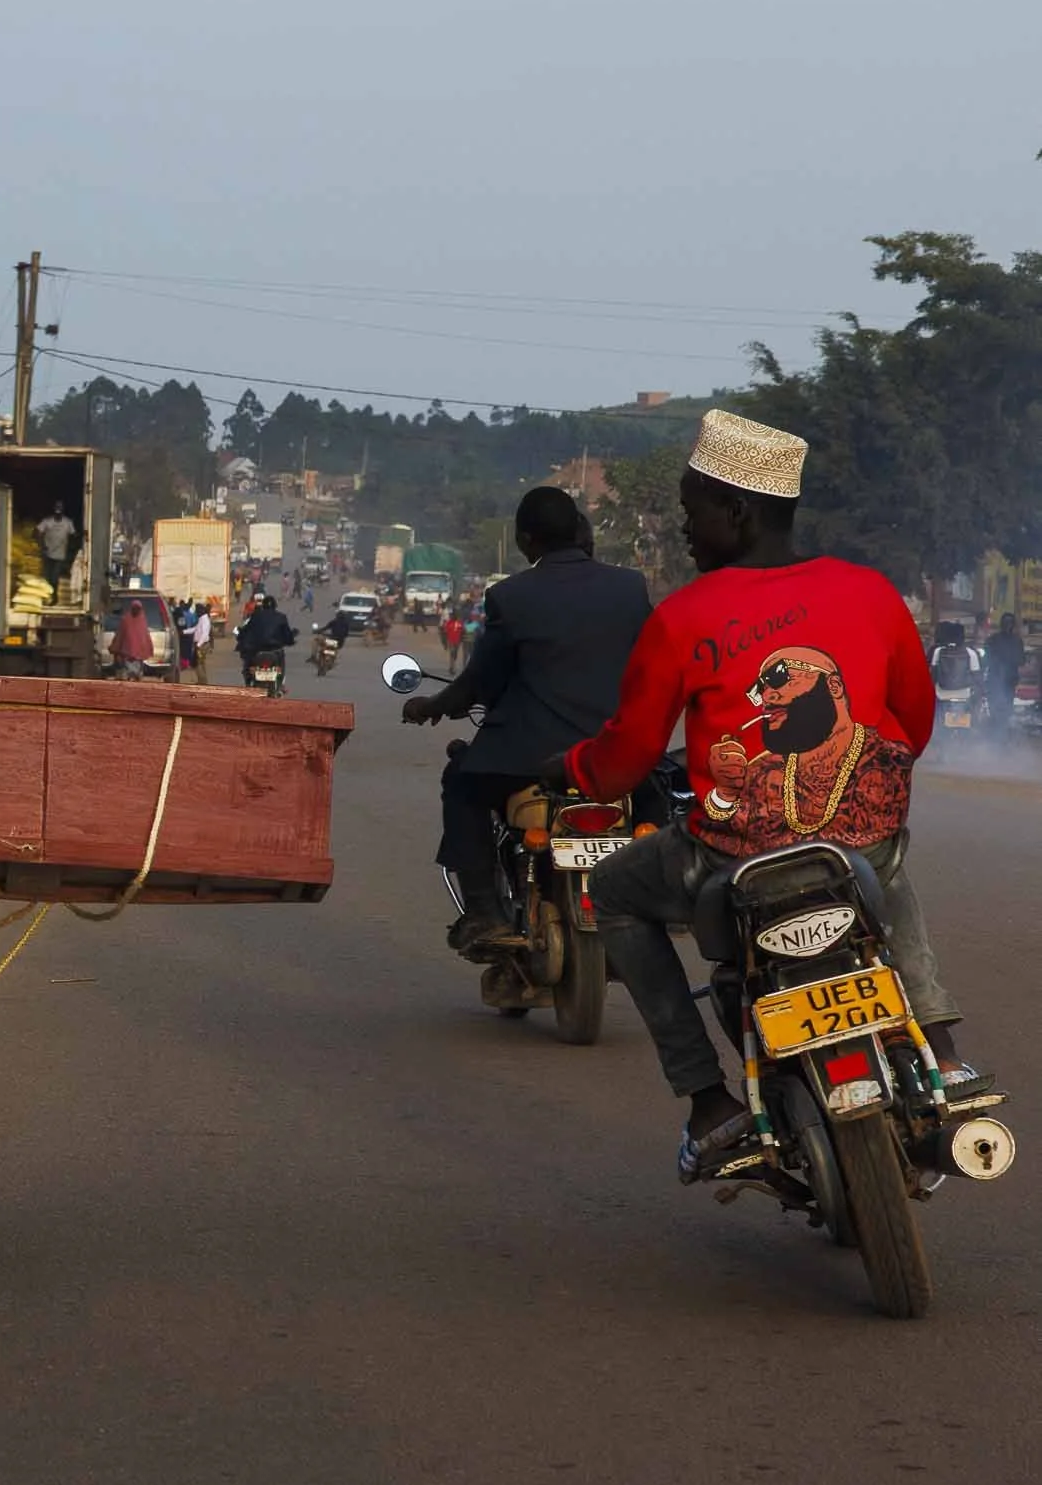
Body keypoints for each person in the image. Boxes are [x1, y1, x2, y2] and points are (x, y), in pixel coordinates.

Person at [557, 410, 984, 1179]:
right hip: (854, 846)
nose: (684, 528)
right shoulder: (871, 592)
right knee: (885, 865)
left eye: (691, 511)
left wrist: (577, 767)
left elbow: (625, 763)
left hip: (731, 861)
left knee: (611, 889)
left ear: (737, 511)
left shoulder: (682, 617)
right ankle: (944, 1054)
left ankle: (708, 1102)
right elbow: (911, 726)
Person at [400, 488, 650, 950]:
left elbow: (478, 681)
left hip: (526, 757)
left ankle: (484, 913)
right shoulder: (630, 587)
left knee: (462, 786)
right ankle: (656, 900)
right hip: (617, 751)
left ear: (525, 540)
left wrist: (429, 706)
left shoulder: (510, 597)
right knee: (660, 800)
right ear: (580, 531)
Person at [233, 592, 296, 679]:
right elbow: (287, 635)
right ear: (275, 606)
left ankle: (250, 680)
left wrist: (241, 637)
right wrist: (290, 640)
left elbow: (246, 630)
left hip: (258, 650)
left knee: (249, 665)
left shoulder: (256, 616)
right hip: (275, 650)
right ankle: (281, 684)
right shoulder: (281, 617)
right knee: (281, 666)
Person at [983, 613, 1023, 739]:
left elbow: (986, 660)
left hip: (1001, 681)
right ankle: (1000, 737)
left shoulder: (992, 639)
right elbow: (1021, 660)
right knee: (1003, 711)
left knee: (998, 710)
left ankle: (998, 737)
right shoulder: (1016, 641)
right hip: (1004, 681)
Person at [35, 502, 78, 601]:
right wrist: (42, 545)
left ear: (63, 511)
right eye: (56, 508)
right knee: (47, 577)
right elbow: (38, 532)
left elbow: (73, 535)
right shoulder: (47, 521)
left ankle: (54, 597)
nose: (58, 511)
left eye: (60, 509)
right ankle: (47, 597)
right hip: (47, 554)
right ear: (53, 510)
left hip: (60, 555)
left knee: (55, 577)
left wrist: (73, 546)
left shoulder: (67, 523)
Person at [109, 599, 155, 679]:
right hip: (126, 656)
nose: (136, 610)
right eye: (134, 608)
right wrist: (116, 649)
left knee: (136, 676)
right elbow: (120, 635)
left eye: (138, 608)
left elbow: (145, 637)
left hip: (138, 657)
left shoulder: (142, 620)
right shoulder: (126, 619)